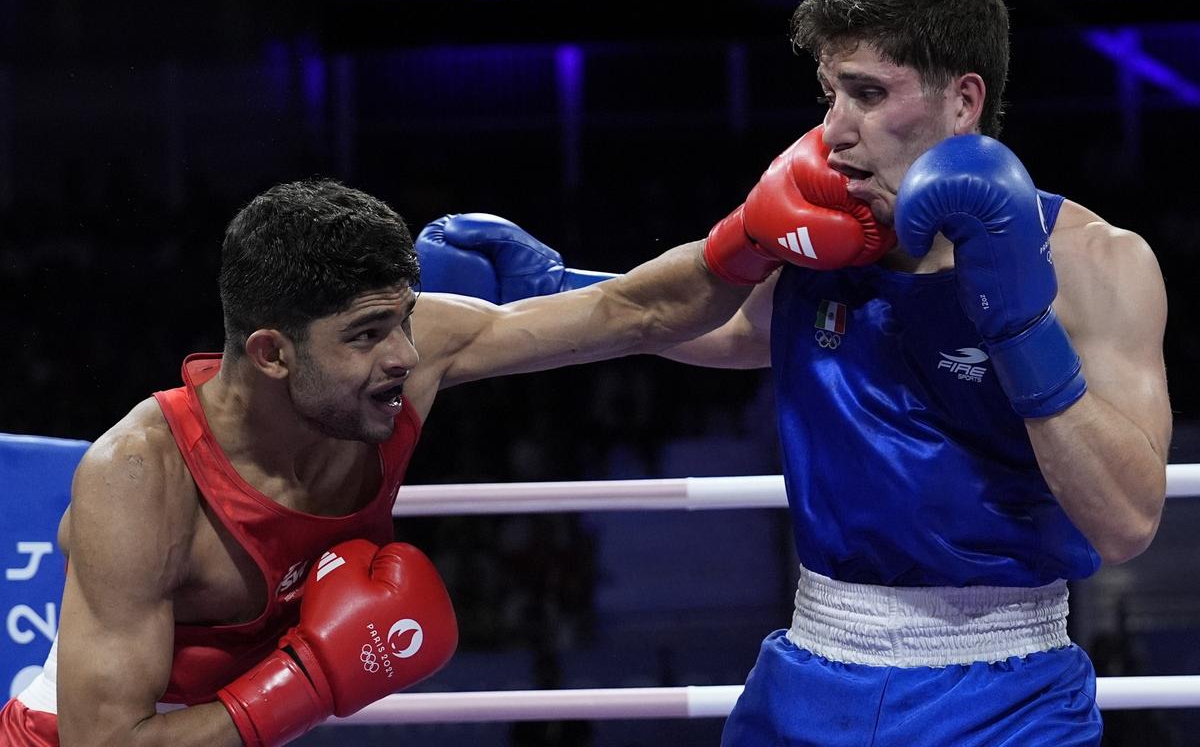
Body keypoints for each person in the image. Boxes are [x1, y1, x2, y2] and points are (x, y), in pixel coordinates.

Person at [413, 0, 1172, 745]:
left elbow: (1125, 523)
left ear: (963, 101)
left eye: (869, 94)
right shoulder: (821, 243)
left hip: (1008, 695)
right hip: (811, 678)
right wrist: (546, 283)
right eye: (830, 95)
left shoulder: (1096, 265)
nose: (835, 130)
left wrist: (1018, 328)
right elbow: (695, 319)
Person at [3, 155, 867, 747]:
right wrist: (304, 682)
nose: (406, 359)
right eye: (368, 334)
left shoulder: (415, 352)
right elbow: (105, 743)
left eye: (404, 319)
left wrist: (746, 238)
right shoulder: (140, 478)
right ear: (271, 352)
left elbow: (632, 313)